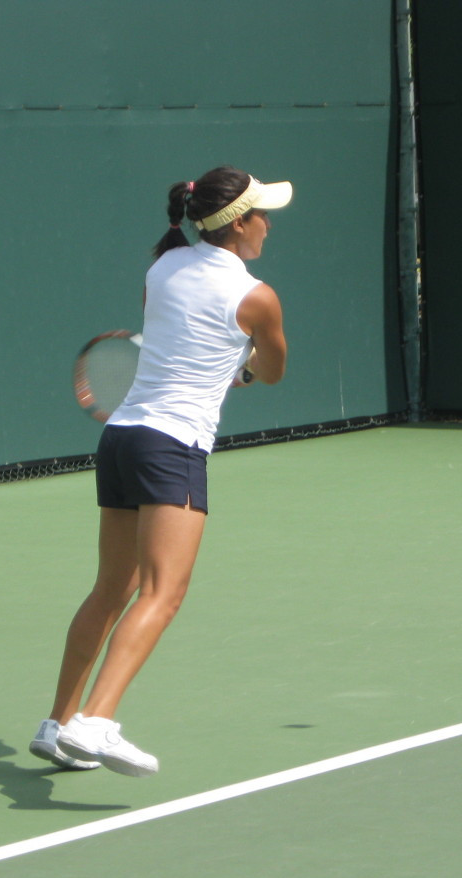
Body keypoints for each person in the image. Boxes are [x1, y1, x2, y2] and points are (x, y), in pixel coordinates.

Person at [30, 166, 292, 774]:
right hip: (172, 447)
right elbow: (271, 372)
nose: (269, 224)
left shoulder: (161, 268)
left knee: (112, 589)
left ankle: (57, 724)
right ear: (240, 224)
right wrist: (245, 368)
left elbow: (186, 337)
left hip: (122, 442)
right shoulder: (258, 297)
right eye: (262, 214)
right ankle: (95, 724)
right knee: (162, 593)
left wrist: (227, 361)